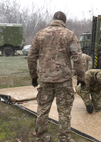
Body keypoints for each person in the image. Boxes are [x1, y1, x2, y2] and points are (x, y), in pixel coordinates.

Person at [27, 11, 85, 142]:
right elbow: (78, 58)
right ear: (64, 22)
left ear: (53, 20)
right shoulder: (69, 35)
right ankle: (64, 138)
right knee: (64, 110)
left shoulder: (40, 34)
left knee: (43, 108)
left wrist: (33, 76)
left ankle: (42, 137)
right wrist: (81, 78)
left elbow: (31, 56)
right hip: (63, 80)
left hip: (45, 79)